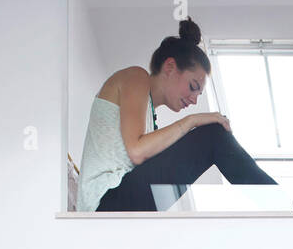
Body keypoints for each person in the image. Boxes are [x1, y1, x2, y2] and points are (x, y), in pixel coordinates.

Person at [76, 17, 278, 212]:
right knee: (212, 135)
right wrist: (193, 120)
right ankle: (285, 209)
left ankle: (281, 210)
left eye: (198, 94)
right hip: (106, 201)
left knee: (209, 136)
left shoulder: (149, 115)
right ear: (170, 67)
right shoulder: (136, 77)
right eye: (193, 86)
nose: (193, 100)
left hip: (119, 203)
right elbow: (137, 151)